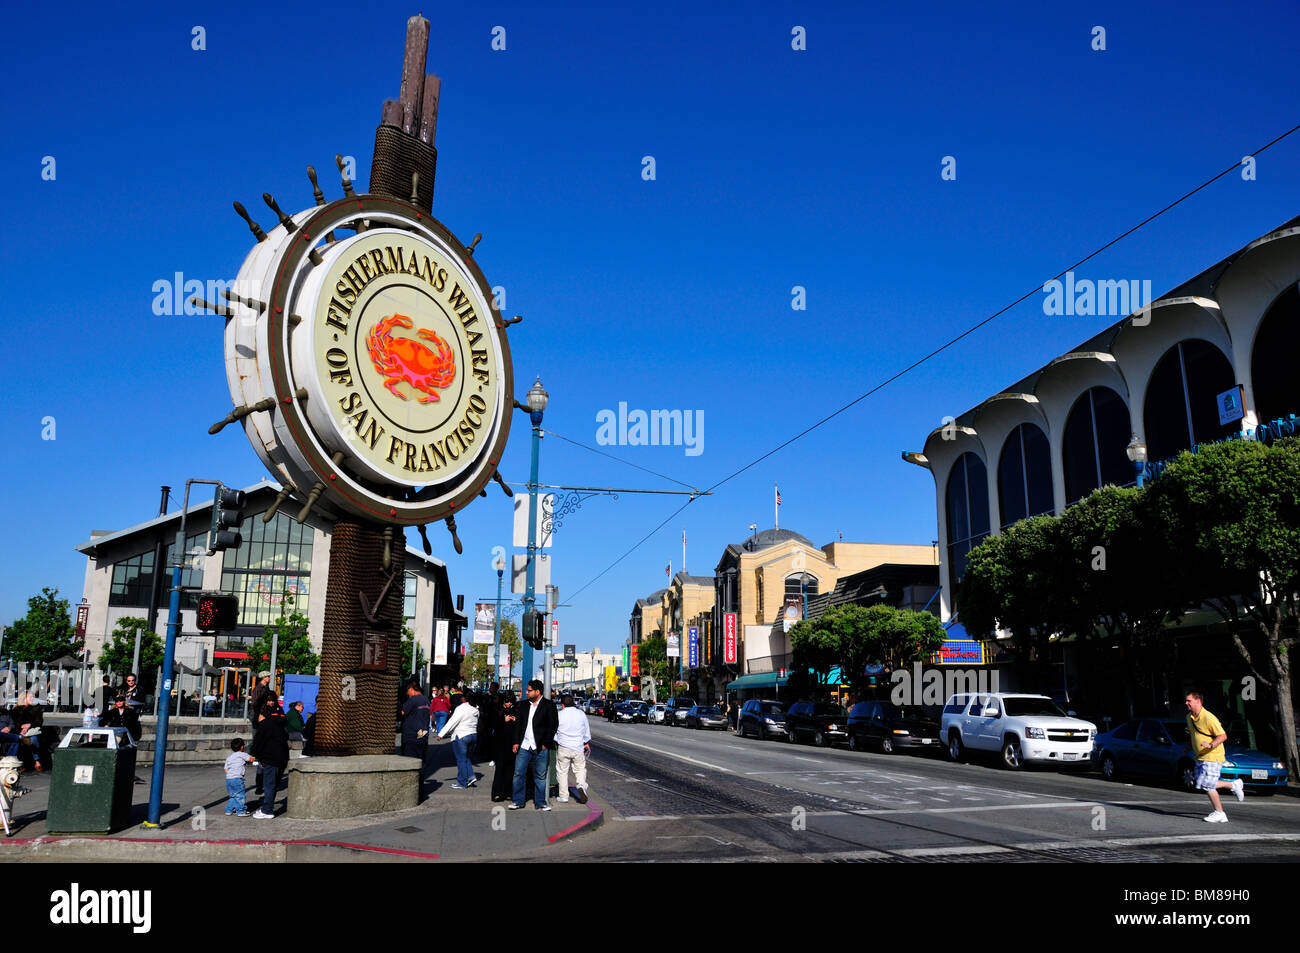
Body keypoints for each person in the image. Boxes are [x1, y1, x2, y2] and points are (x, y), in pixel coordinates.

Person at [1185, 692, 1244, 823]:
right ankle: (1233, 785)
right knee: (1201, 783)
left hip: (1212, 755)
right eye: (1186, 701)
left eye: (1189, 701)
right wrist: (1188, 748)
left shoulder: (1208, 717)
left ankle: (1220, 813)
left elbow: (1223, 736)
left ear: (1198, 701)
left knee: (1207, 785)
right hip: (1200, 756)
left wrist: (1211, 745)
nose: (1186, 703)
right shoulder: (1189, 717)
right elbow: (1194, 735)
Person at [510, 679, 558, 811]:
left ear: (538, 691)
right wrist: (515, 742)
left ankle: (540, 803)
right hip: (524, 746)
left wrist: (545, 743)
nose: (526, 693)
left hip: (540, 746)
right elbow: (518, 725)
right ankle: (518, 801)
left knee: (540, 776)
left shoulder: (549, 706)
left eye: (529, 690)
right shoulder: (523, 705)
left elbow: (552, 726)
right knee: (518, 773)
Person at [250, 694, 289, 819]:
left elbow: (258, 742)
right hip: (282, 757)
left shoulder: (265, 725)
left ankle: (267, 810)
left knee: (269, 784)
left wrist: (254, 755)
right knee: (274, 784)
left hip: (270, 757)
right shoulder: (280, 724)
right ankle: (268, 804)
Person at [436, 689, 479, 789]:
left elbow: (452, 721)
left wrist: (441, 734)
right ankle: (471, 776)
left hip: (462, 735)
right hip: (473, 735)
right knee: (467, 758)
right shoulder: (476, 709)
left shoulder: (461, 708)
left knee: (461, 760)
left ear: (464, 698)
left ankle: (462, 782)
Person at [554, 694, 591, 804]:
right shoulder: (581, 714)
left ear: (563, 705)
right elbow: (586, 731)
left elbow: (554, 732)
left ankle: (564, 796)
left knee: (562, 771)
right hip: (578, 747)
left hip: (563, 747)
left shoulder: (559, 714)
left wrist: (558, 739)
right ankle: (581, 785)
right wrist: (586, 742)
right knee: (580, 769)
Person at [491, 692, 519, 802]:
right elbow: (493, 725)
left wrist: (515, 720)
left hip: (511, 744)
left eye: (511, 701)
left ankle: (508, 792)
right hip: (500, 744)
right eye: (507, 701)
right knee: (500, 770)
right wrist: (503, 720)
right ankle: (497, 793)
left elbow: (520, 725)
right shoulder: (497, 711)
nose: (509, 703)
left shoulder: (516, 710)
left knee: (510, 770)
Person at [223, 738, 257, 816]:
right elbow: (251, 759)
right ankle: (241, 811)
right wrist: (257, 757)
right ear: (242, 747)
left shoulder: (229, 757)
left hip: (229, 779)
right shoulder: (242, 754)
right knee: (240, 795)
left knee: (233, 796)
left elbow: (225, 769)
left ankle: (229, 810)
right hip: (237, 779)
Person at [400, 678, 430, 763]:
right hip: (423, 734)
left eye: (407, 690)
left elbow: (402, 712)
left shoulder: (413, 699)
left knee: (410, 760)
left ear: (411, 689)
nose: (407, 693)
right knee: (420, 759)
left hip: (412, 735)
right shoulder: (426, 700)